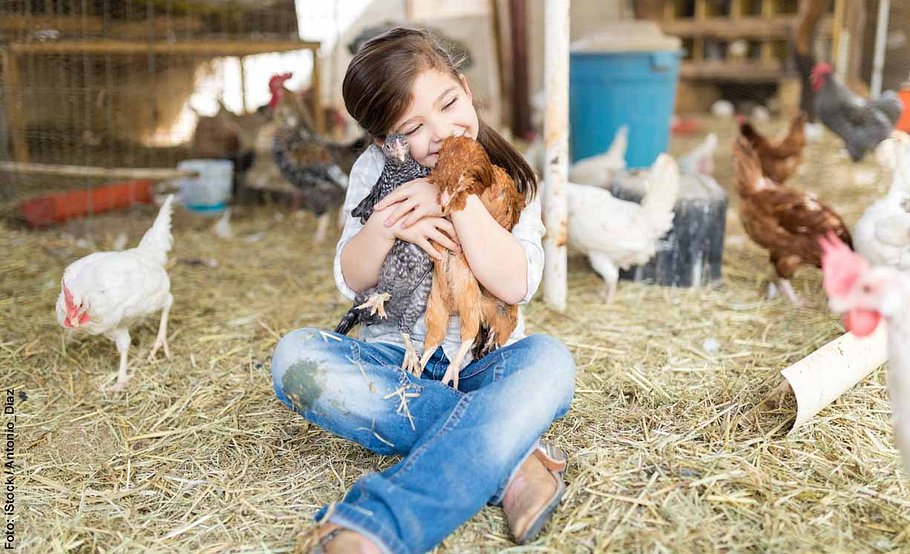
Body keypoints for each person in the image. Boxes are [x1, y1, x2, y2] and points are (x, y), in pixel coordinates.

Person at [271, 27, 576, 554]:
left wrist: (456, 200)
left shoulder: (511, 175)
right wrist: (385, 225)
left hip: (484, 364)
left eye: (449, 103)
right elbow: (351, 276)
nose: (439, 133)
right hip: (397, 360)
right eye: (413, 127)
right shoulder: (375, 171)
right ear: (383, 140)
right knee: (295, 358)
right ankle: (510, 460)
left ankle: (381, 525)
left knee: (550, 361)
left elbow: (516, 284)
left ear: (464, 84)